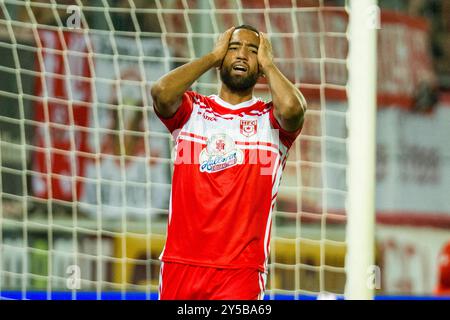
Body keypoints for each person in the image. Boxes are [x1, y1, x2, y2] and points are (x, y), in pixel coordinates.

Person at [151, 25, 307, 300]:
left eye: (252, 50)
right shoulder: (192, 110)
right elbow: (161, 92)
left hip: (240, 272)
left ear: (260, 65)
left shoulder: (269, 120)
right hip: (181, 265)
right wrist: (212, 56)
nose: (242, 55)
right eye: (234, 48)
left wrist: (269, 65)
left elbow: (294, 110)